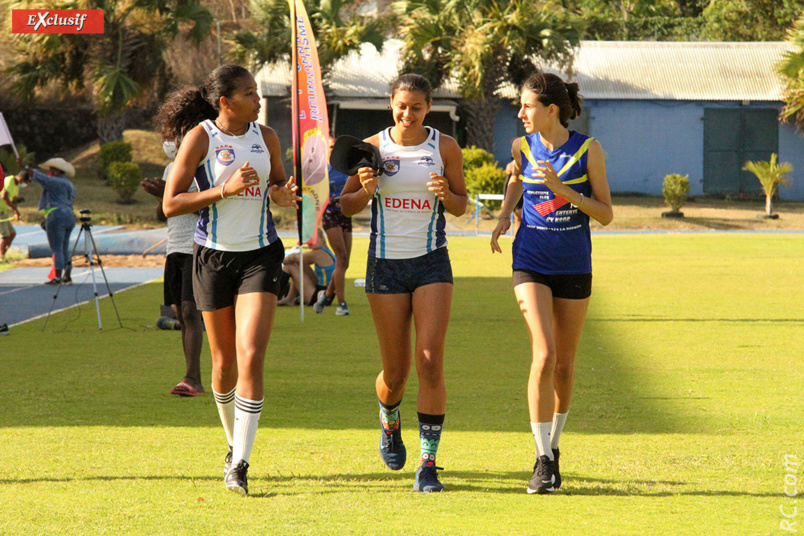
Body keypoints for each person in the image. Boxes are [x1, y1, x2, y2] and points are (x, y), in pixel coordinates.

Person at [161, 64, 300, 496]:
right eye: (249, 92)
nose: (258, 99)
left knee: (251, 354)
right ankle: (232, 444)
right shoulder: (202, 137)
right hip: (213, 258)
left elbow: (279, 188)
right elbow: (171, 203)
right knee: (222, 367)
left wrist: (282, 195)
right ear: (226, 102)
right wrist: (224, 189)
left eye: (256, 91)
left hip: (260, 256)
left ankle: (239, 463)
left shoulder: (267, 137)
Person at [340, 73, 468, 493]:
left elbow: (461, 206)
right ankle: (389, 421)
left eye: (416, 107)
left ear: (429, 107)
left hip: (432, 262)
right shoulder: (373, 148)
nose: (407, 114)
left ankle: (428, 465)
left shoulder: (444, 147)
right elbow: (346, 204)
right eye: (401, 106)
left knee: (429, 361)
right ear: (390, 104)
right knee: (396, 374)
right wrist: (365, 189)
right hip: (385, 266)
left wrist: (446, 194)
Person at [490, 73, 613, 494]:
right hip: (530, 261)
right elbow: (516, 178)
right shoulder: (520, 146)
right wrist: (506, 213)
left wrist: (564, 190)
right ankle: (542, 461)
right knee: (543, 355)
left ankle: (553, 447)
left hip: (574, 265)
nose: (520, 114)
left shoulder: (588, 150)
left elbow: (606, 214)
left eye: (526, 106)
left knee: (564, 364)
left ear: (551, 110)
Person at [141, 137, 206, 397]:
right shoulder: (171, 168)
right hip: (175, 248)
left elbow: (205, 210)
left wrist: (172, 195)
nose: (171, 141)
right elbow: (164, 213)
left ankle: (193, 378)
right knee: (180, 312)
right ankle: (193, 376)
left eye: (178, 136)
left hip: (196, 246)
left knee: (191, 312)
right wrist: (161, 196)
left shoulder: (203, 168)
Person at [19, 157, 77, 285]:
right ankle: (67, 276)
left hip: (56, 214)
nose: (49, 172)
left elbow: (39, 177)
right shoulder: (69, 184)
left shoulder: (55, 182)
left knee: (56, 247)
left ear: (56, 171)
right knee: (65, 247)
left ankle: (57, 277)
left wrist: (25, 167)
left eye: (51, 170)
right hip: (70, 215)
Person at [314, 139, 353, 316]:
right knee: (341, 258)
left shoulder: (346, 169)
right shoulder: (321, 171)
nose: (333, 150)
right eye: (330, 147)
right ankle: (341, 303)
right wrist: (329, 201)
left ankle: (327, 295)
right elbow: (315, 195)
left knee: (345, 262)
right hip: (330, 215)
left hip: (345, 214)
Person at [277, 227, 335, 307]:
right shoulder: (326, 251)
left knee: (290, 265)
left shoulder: (318, 254)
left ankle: (275, 293)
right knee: (300, 264)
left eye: (313, 239)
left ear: (322, 239)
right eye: (308, 238)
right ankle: (290, 298)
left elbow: (289, 260)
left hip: (320, 297)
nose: (310, 242)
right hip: (326, 293)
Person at [1, 166, 29, 262]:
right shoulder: (9, 181)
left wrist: (16, 207)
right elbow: (4, 196)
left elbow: (12, 199)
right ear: (21, 179)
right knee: (5, 235)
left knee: (12, 234)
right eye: (26, 182)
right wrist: (15, 209)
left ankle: (3, 253)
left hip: (3, 212)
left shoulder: (16, 185)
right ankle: (1, 257)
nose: (26, 185)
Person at [502, 160, 523, 234]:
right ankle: (517, 242)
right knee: (519, 221)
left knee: (519, 221)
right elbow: (507, 184)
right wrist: (505, 200)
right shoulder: (511, 165)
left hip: (526, 194)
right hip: (517, 195)